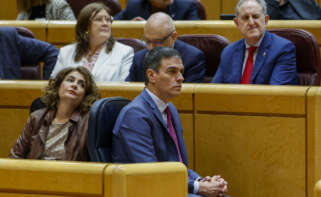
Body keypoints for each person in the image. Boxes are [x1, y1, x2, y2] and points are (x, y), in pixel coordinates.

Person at [113, 47, 228, 197]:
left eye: (181, 71)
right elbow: (151, 172)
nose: (180, 77)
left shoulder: (170, 109)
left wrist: (202, 181)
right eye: (172, 71)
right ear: (151, 75)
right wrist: (197, 186)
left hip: (170, 186)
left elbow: (178, 164)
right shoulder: (135, 115)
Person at [9, 67, 100, 161]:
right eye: (70, 80)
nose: (74, 85)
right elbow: (16, 155)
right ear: (58, 86)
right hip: (34, 172)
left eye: (82, 85)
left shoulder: (88, 122)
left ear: (85, 95)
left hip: (68, 174)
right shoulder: (37, 117)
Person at [212, 0, 298, 85]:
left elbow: (276, 94)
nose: (251, 22)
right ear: (237, 23)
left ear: (266, 20)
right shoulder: (229, 52)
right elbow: (214, 92)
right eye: (245, 18)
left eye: (255, 16)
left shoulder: (282, 49)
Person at [51, 2, 134, 82]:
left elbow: (124, 88)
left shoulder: (125, 52)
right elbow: (54, 83)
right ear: (86, 26)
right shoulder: (65, 52)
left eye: (108, 20)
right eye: (99, 19)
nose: (105, 23)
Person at [126, 12, 205, 83]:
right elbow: (129, 92)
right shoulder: (138, 59)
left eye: (157, 42)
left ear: (174, 37)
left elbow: (189, 96)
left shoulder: (192, 58)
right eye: (147, 41)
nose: (151, 47)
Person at [114, 0, 200, 21]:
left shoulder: (187, 6)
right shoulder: (134, 6)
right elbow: (114, 24)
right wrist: (130, 27)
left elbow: (195, 36)